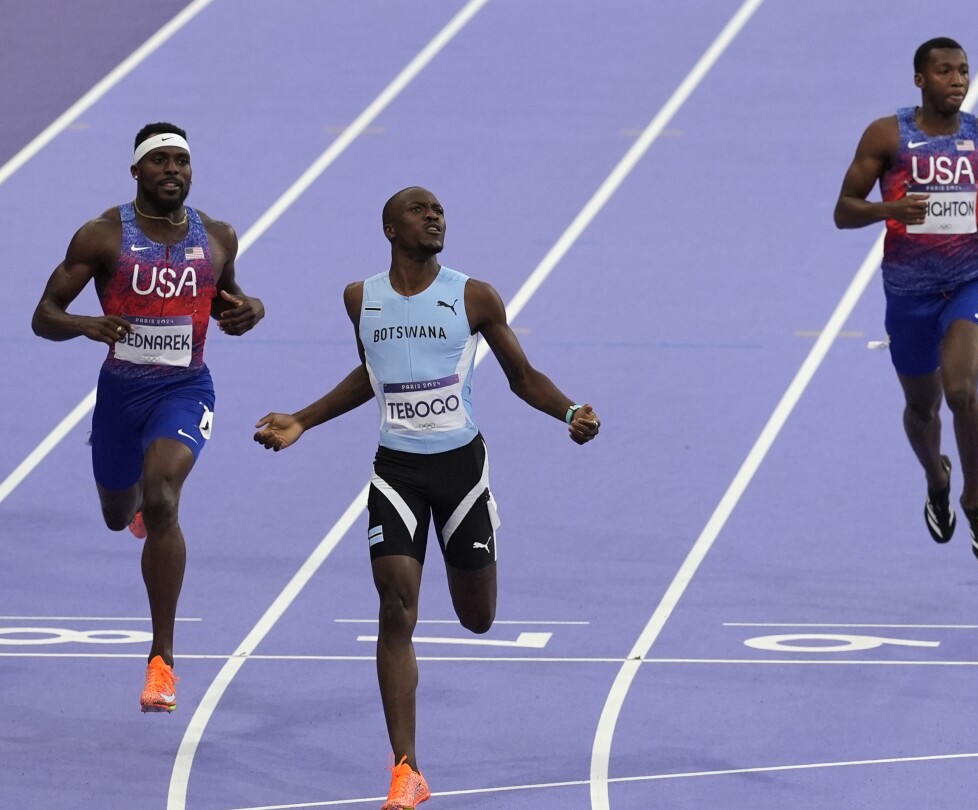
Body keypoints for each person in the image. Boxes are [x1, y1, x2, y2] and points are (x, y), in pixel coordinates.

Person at [252, 186, 600, 809]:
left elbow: (522, 378)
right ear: (389, 229)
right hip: (397, 472)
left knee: (478, 619)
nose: (435, 216)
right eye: (420, 210)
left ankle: (482, 539)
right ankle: (406, 769)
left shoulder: (474, 296)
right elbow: (373, 373)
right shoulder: (361, 298)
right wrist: (303, 419)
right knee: (395, 606)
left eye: (440, 209)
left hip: (461, 471)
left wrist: (569, 411)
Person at [31, 122, 265, 713]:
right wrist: (86, 323)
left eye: (182, 162)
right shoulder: (103, 236)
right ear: (135, 170)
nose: (173, 172)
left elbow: (227, 299)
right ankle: (133, 508)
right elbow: (44, 315)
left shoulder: (217, 237)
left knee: (163, 496)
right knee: (120, 514)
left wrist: (251, 310)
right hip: (119, 395)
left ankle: (161, 660)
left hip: (185, 389)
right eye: (160, 162)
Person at [833, 36, 978, 564]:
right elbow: (844, 210)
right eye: (944, 71)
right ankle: (937, 477)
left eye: (963, 71)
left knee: (961, 391)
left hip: (969, 282)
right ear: (920, 79)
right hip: (907, 292)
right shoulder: (888, 134)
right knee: (921, 407)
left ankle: (974, 497)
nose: (957, 80)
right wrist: (890, 209)